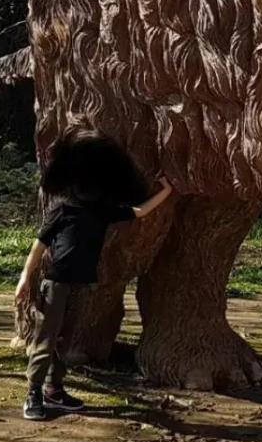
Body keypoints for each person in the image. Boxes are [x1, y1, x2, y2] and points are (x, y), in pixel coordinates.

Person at [15, 130, 173, 420]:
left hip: (82, 284)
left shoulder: (103, 210)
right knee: (46, 338)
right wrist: (25, 278)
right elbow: (39, 245)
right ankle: (33, 394)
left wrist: (166, 191)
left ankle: (54, 389)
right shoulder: (62, 210)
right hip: (57, 282)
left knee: (65, 339)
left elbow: (139, 212)